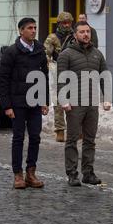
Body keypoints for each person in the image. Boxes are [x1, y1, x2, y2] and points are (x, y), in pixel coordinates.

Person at [57, 21, 112, 187]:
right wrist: (64, 100)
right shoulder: (66, 54)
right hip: (74, 104)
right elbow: (61, 80)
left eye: (87, 31)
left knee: (90, 139)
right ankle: (72, 174)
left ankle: (88, 173)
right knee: (72, 140)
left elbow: (105, 77)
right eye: (82, 32)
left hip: (92, 103)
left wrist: (107, 98)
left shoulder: (97, 54)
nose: (86, 34)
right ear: (75, 35)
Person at [0, 18, 49, 189]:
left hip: (35, 102)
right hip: (17, 103)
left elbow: (44, 78)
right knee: (18, 138)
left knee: (35, 137)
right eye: (29, 28)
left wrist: (45, 101)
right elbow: (3, 80)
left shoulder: (40, 51)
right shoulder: (11, 52)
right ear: (21, 31)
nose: (33, 31)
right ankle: (18, 175)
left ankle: (31, 173)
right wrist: (7, 105)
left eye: (35, 28)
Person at [44, 12, 75, 143]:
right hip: (58, 72)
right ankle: (60, 130)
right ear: (59, 23)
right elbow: (46, 54)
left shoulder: (75, 36)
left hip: (74, 72)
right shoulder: (53, 38)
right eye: (64, 23)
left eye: (69, 22)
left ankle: (75, 129)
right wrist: (50, 65)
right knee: (58, 102)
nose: (67, 25)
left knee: (74, 102)